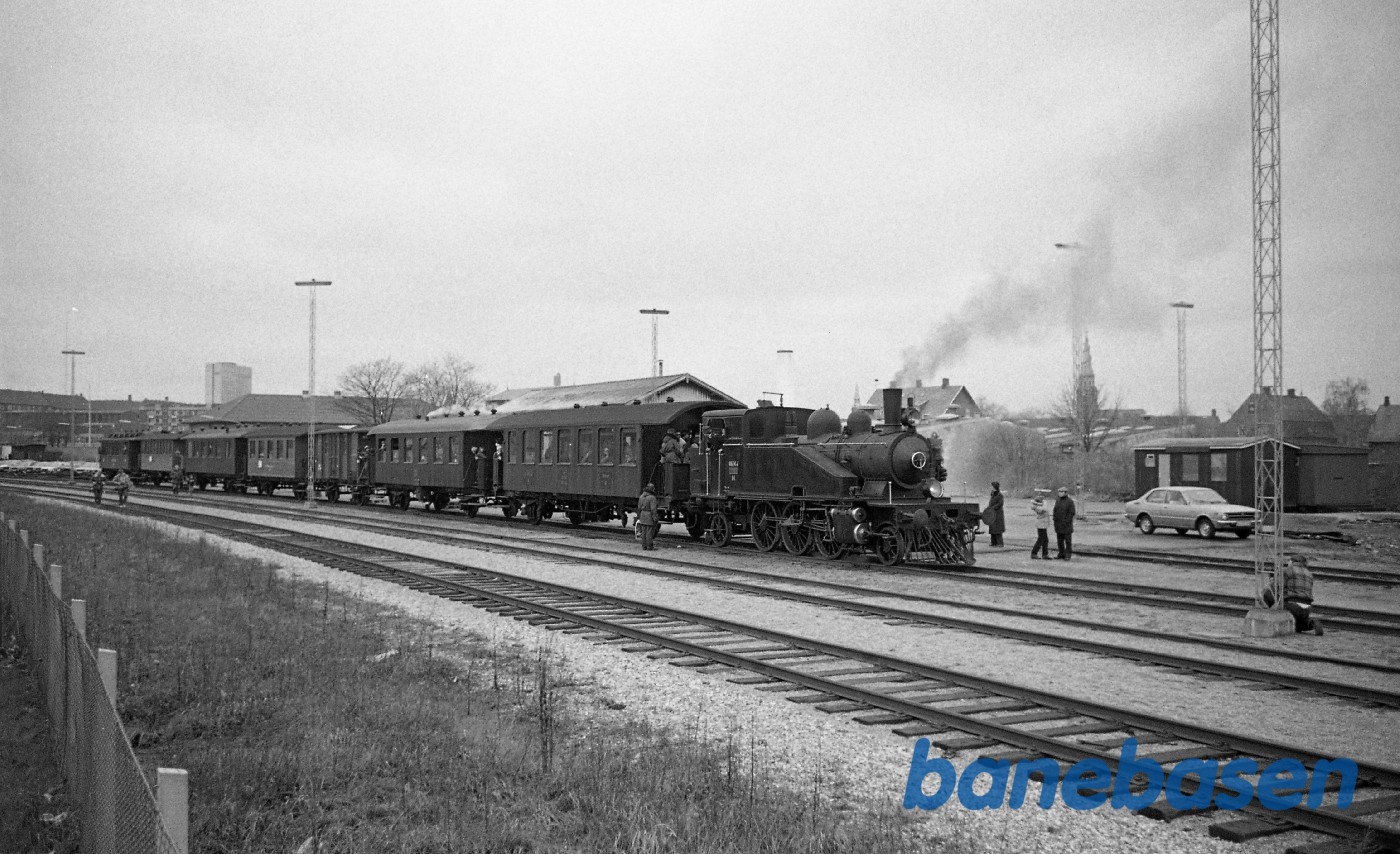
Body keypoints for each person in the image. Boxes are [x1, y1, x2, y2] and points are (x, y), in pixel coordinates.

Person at [1280, 555, 1324, 636]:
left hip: (1292, 604)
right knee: (1300, 624)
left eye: (1289, 560)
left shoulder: (1288, 570)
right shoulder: (1309, 574)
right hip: (1307, 606)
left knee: (1271, 596)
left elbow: (1279, 587)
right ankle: (1311, 623)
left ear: (1293, 562)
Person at [1053, 487, 1076, 560]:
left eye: (1061, 492)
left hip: (1066, 525)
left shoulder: (1070, 501)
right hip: (1058, 524)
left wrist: (1066, 521)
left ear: (1065, 493)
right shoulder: (1057, 500)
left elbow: (1071, 512)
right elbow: (1055, 510)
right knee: (1060, 541)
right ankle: (1061, 553)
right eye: (1059, 492)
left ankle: (1068, 554)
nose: (1060, 493)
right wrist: (1055, 519)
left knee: (1068, 541)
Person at [636, 483, 659, 551]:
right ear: (652, 489)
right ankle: (649, 547)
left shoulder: (641, 496)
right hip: (649, 515)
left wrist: (639, 516)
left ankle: (644, 546)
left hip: (643, 515)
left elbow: (639, 507)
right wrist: (655, 518)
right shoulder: (652, 497)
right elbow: (653, 509)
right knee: (649, 532)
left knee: (643, 532)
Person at [983, 482, 1005, 547]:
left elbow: (1000, 503)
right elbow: (991, 503)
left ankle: (1000, 543)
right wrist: (988, 508)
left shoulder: (1000, 495)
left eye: (992, 487)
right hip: (992, 513)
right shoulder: (993, 495)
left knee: (998, 529)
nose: (991, 488)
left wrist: (992, 508)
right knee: (992, 528)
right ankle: (994, 542)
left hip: (998, 514)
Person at [1030, 490, 1050, 559]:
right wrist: (1042, 504)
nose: (1042, 497)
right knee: (1041, 539)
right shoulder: (1037, 506)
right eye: (1040, 496)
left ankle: (1045, 554)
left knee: (1045, 539)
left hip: (1043, 523)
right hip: (1041, 524)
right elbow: (1043, 509)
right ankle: (1034, 553)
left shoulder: (1036, 505)